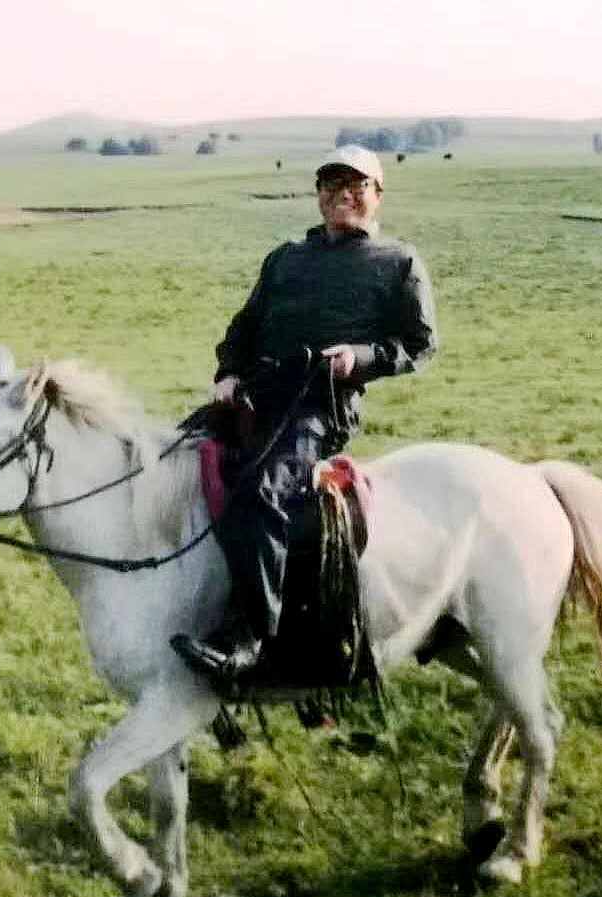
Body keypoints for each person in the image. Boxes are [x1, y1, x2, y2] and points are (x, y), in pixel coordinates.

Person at [172, 144, 437, 687]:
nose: (343, 192)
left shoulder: (398, 261)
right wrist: (227, 372)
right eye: (332, 182)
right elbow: (242, 329)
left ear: (377, 195)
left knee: (262, 488)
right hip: (255, 392)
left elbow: (418, 344)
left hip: (319, 403)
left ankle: (253, 638)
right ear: (319, 193)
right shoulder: (285, 258)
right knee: (171, 458)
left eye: (356, 184)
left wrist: (358, 358)